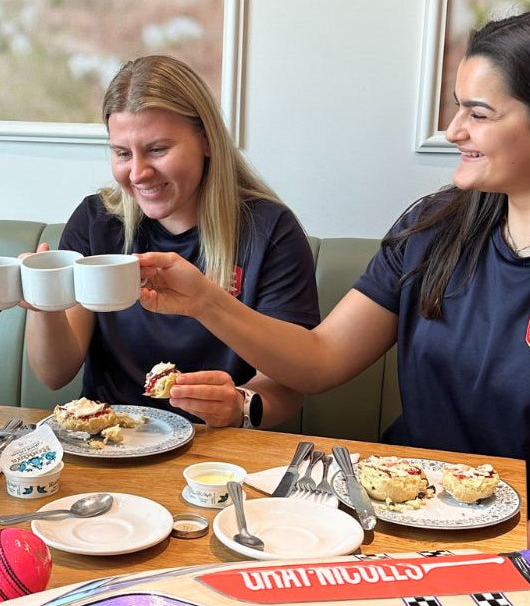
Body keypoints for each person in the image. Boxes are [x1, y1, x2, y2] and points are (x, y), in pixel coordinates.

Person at [137, 8, 530, 605]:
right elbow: (321, 360)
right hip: (392, 532)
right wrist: (205, 301)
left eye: (478, 113)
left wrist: (459, 576)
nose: (454, 129)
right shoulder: (431, 229)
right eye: (458, 106)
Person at [24, 55, 320, 428]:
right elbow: (54, 374)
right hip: (110, 437)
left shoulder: (269, 230)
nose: (138, 173)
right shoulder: (96, 222)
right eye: (122, 153)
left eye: (158, 149)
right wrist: (43, 302)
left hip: (219, 447)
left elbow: (290, 382)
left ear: (207, 141)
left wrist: (239, 405)